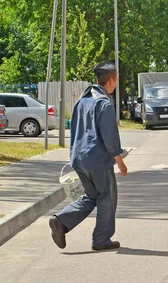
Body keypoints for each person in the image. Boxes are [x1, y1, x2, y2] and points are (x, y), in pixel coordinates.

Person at [49, 61, 128, 251]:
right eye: (116, 80)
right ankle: (101, 239)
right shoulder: (104, 103)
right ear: (111, 80)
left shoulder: (81, 101)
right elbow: (110, 138)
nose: (116, 83)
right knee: (107, 197)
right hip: (98, 160)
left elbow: (76, 131)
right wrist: (120, 163)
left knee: (92, 195)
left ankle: (61, 221)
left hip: (79, 159)